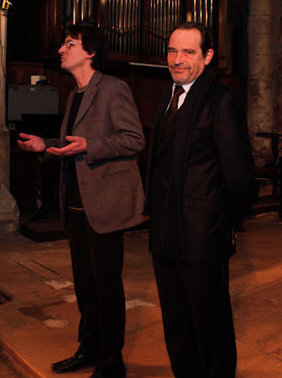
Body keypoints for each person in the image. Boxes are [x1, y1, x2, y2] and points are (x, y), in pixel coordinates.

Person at [17, 24, 145, 378]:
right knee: (84, 285)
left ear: (89, 52)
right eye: (63, 43)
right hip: (74, 204)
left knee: (106, 287)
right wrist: (45, 145)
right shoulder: (74, 95)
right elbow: (69, 141)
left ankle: (111, 362)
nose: (61, 49)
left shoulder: (113, 89)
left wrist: (92, 146)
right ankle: (89, 349)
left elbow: (134, 139)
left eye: (68, 43)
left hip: (104, 205)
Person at [144, 22, 254, 378]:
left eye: (188, 52)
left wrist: (222, 225)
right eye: (172, 51)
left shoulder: (222, 101)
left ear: (207, 57)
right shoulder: (168, 96)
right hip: (165, 233)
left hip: (202, 238)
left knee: (211, 328)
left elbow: (239, 178)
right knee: (176, 325)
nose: (177, 60)